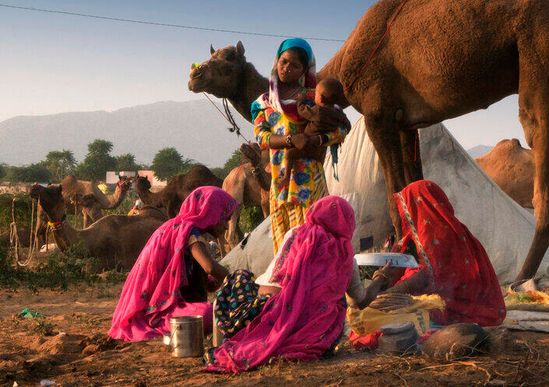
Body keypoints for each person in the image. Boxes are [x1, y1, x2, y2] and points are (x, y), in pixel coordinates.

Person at [206, 195, 370, 373]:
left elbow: (278, 278)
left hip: (263, 312)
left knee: (238, 277)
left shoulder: (297, 234)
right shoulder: (346, 256)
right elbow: (359, 301)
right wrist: (381, 279)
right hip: (320, 336)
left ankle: (229, 338)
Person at [251, 38, 348, 252]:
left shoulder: (315, 98)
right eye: (283, 61)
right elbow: (262, 137)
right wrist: (290, 140)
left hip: (309, 183)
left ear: (305, 70)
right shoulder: (263, 103)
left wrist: (316, 140)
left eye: (295, 65)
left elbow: (341, 129)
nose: (287, 69)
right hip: (280, 183)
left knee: (312, 244)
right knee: (284, 249)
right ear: (277, 60)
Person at [109, 186, 238, 342]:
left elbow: (200, 278)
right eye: (225, 217)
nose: (226, 225)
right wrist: (237, 279)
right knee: (214, 314)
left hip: (159, 306)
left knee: (216, 311)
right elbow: (209, 267)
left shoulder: (177, 228)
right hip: (159, 312)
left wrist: (215, 281)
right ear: (209, 211)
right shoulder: (189, 233)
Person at [381, 180, 506, 326]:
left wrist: (386, 296)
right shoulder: (423, 234)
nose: (406, 213)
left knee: (388, 322)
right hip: (443, 297)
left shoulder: (441, 235)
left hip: (458, 304)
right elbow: (400, 271)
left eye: (408, 206)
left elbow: (427, 275)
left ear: (420, 205)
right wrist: (382, 279)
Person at [280, 77, 351, 182]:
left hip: (308, 145)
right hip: (320, 150)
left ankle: (286, 176)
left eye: (316, 94)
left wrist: (301, 99)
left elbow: (302, 111)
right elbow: (348, 126)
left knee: (289, 154)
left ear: (321, 99)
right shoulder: (339, 113)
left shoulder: (318, 111)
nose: (314, 95)